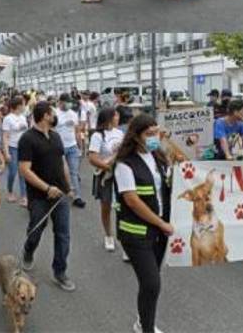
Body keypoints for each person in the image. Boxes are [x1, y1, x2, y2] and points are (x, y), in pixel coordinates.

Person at [113, 114, 175, 333]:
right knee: (151, 283)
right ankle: (145, 328)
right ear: (136, 137)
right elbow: (132, 200)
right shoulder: (124, 164)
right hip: (136, 233)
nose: (154, 137)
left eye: (156, 133)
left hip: (158, 232)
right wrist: (161, 223)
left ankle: (142, 320)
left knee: (152, 282)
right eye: (149, 134)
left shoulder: (157, 156)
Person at [18, 101, 76, 291]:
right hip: (38, 197)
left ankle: (60, 272)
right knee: (36, 230)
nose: (55, 115)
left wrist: (69, 187)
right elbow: (25, 170)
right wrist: (46, 188)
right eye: (52, 113)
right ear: (45, 116)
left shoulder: (56, 136)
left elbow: (62, 163)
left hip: (60, 195)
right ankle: (29, 250)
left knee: (63, 234)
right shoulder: (27, 139)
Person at [88, 106, 123, 252]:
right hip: (106, 175)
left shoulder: (120, 133)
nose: (118, 118)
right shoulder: (98, 136)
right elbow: (93, 158)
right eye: (116, 116)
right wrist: (108, 167)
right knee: (106, 206)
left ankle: (124, 240)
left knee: (123, 207)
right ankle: (108, 235)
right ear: (109, 118)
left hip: (121, 174)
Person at [56, 93, 85, 207]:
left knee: (74, 172)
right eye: (66, 102)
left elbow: (77, 131)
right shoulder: (55, 114)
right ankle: (59, 194)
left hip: (72, 146)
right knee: (60, 172)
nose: (69, 104)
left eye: (70, 102)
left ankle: (77, 197)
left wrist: (80, 146)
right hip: (59, 147)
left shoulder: (73, 114)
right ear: (61, 102)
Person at [2, 95, 28, 206]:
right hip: (13, 148)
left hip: (23, 148)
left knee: (24, 172)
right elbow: (5, 136)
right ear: (18, 106)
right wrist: (6, 152)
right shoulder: (8, 118)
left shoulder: (23, 117)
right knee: (12, 172)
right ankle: (10, 191)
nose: (24, 106)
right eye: (23, 104)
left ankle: (24, 196)